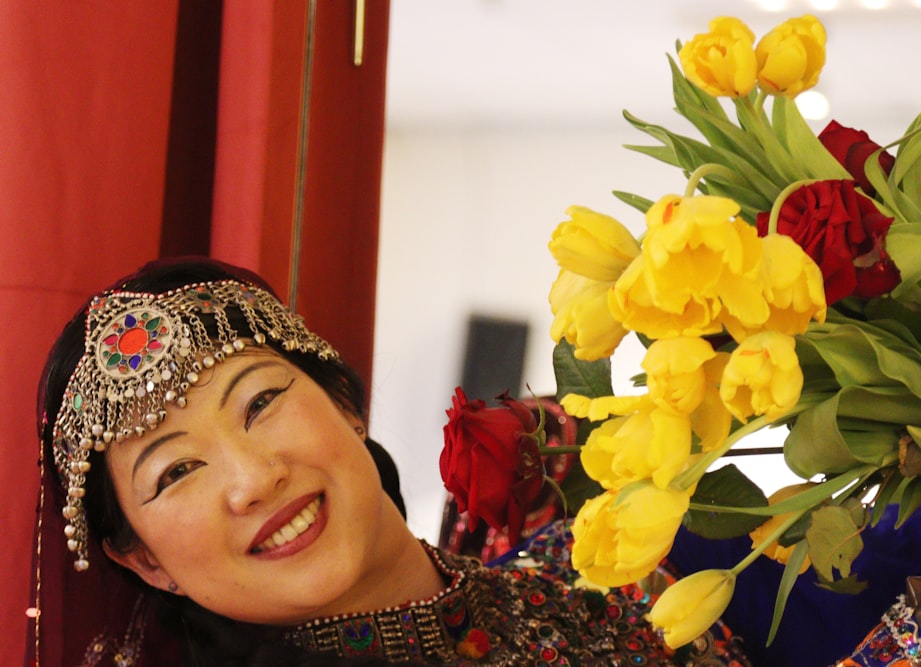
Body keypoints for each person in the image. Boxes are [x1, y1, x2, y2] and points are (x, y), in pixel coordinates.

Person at [29, 257, 753, 666]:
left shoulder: (602, 575)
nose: (253, 479)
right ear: (144, 559)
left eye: (258, 404)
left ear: (344, 401)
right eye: (177, 471)